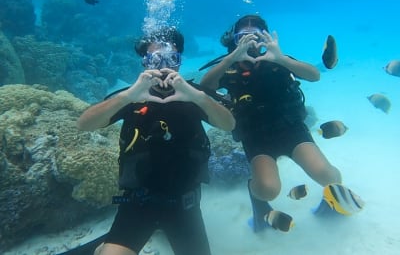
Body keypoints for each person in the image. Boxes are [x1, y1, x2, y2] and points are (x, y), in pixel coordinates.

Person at [77, 26, 235, 255]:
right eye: (155, 59)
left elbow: (229, 125)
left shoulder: (195, 95)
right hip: (137, 202)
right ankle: (107, 246)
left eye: (172, 58)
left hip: (184, 203)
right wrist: (127, 96)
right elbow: (84, 124)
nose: (164, 67)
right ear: (145, 62)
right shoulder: (130, 96)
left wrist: (197, 97)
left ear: (180, 60)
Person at [200, 14, 342, 232]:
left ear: (264, 38)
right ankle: (258, 202)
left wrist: (281, 58)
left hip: (290, 129)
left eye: (255, 36)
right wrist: (231, 59)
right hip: (255, 136)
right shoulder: (229, 67)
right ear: (235, 40)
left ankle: (331, 203)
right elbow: (206, 86)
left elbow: (315, 76)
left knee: (329, 176)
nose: (249, 42)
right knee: (268, 189)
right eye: (242, 37)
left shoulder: (277, 60)